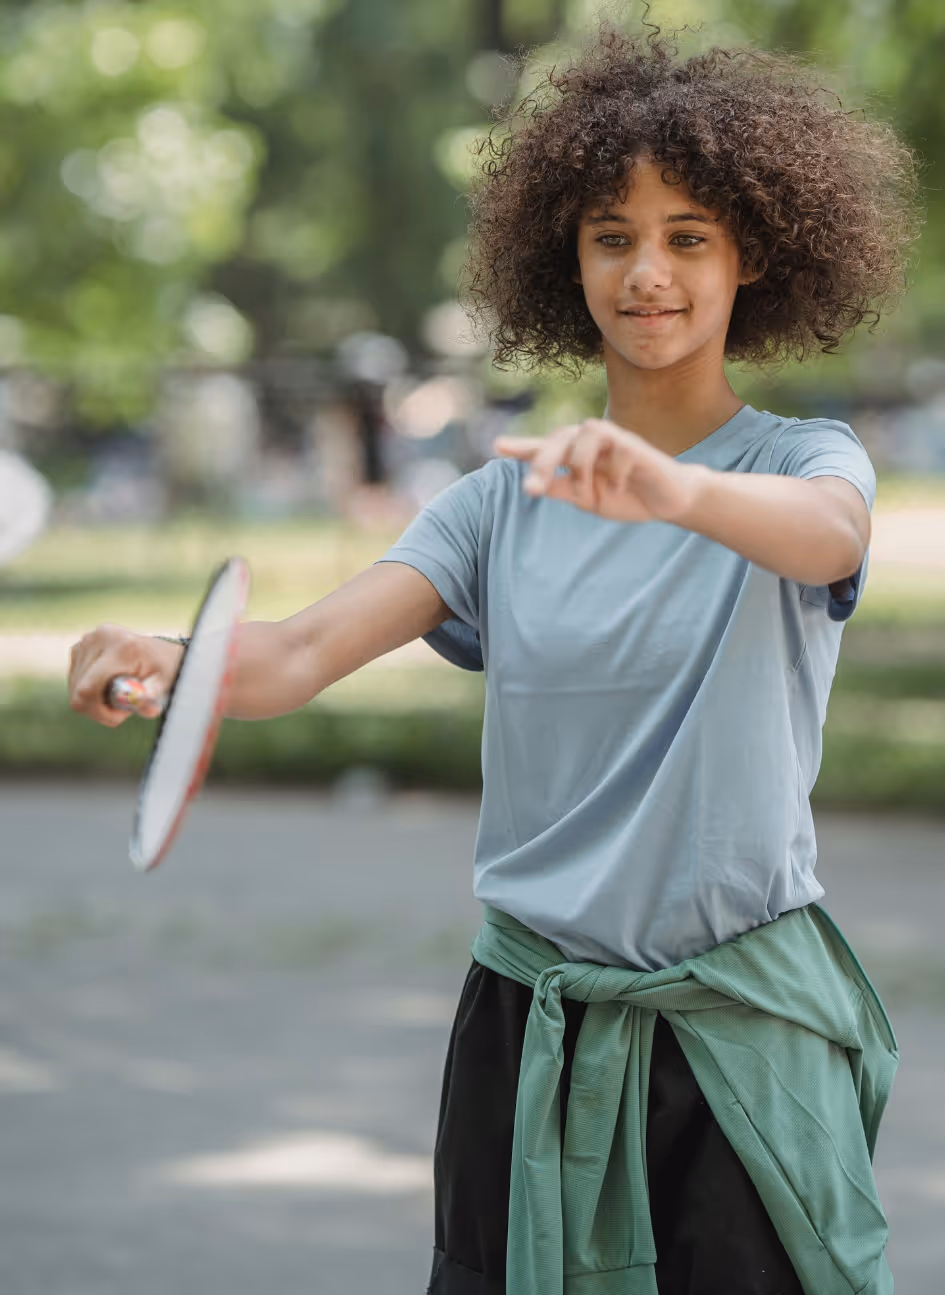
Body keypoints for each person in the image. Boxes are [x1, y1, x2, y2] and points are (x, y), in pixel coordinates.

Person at [69, 20, 923, 1295]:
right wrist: (166, 656)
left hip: (739, 1032)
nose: (650, 272)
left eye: (689, 235)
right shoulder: (498, 504)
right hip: (530, 1028)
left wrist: (674, 493)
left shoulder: (802, 465)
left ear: (753, 254)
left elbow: (829, 540)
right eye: (612, 235)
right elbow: (298, 652)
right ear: (563, 258)